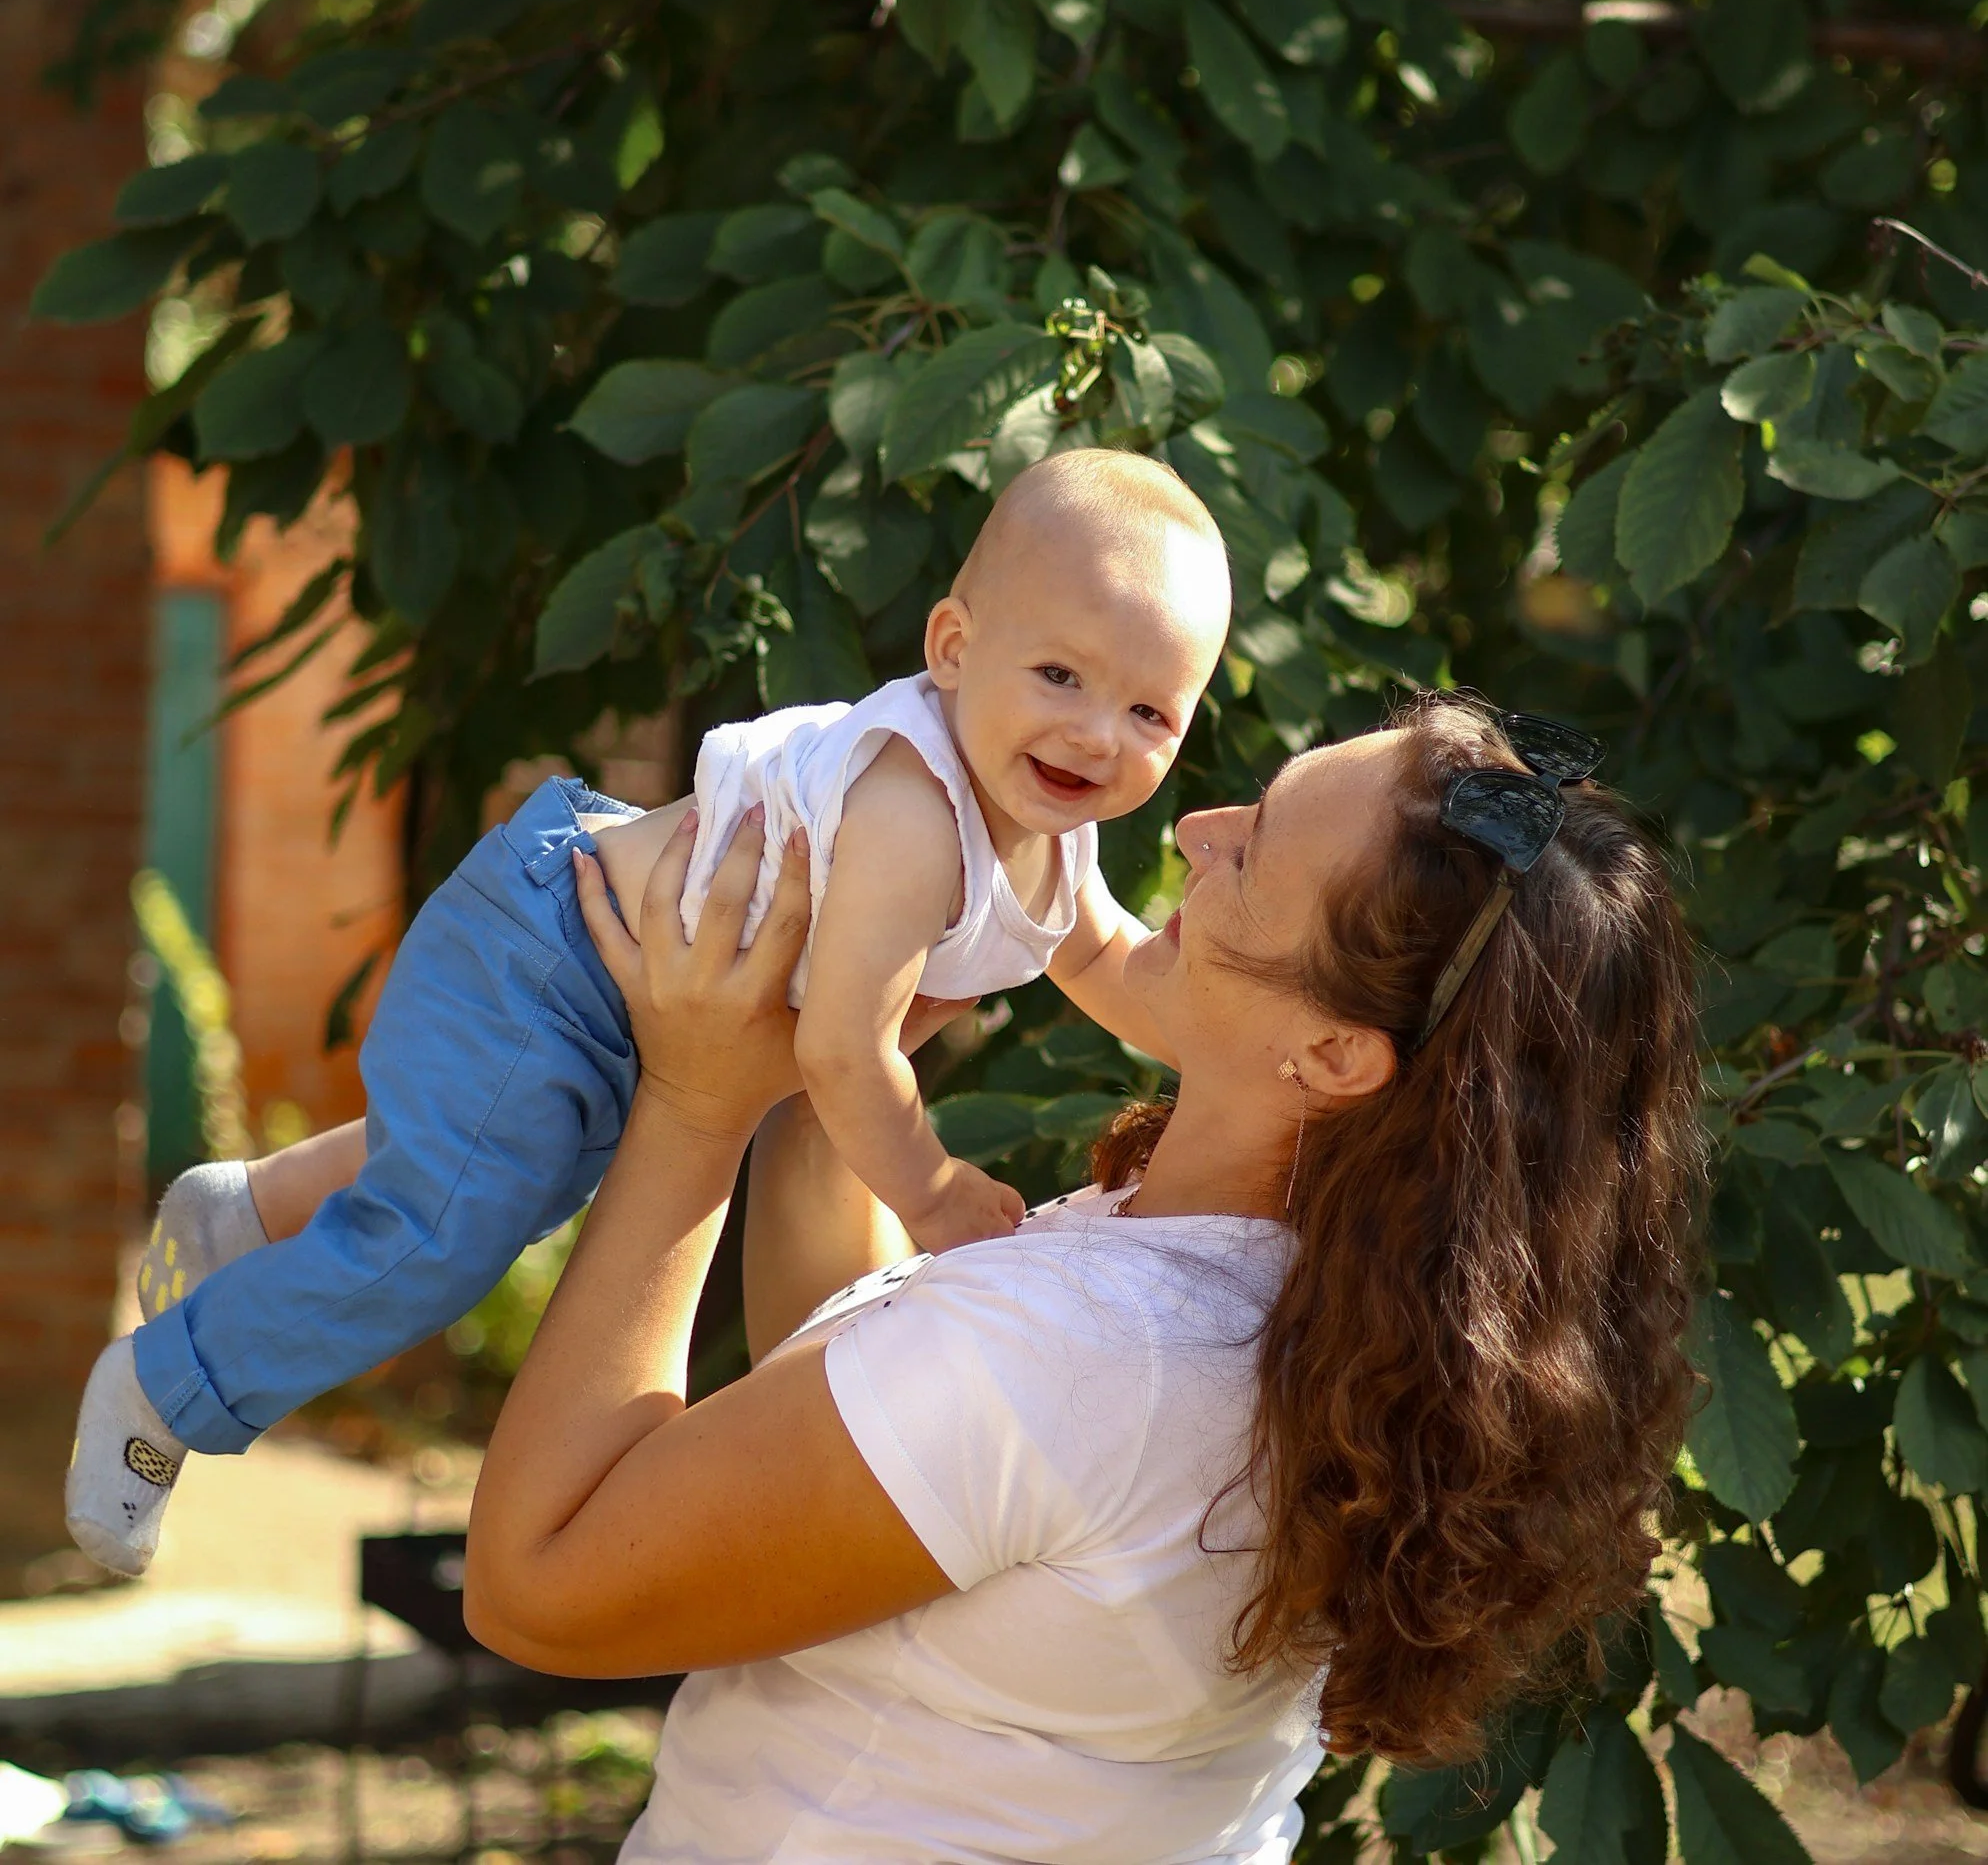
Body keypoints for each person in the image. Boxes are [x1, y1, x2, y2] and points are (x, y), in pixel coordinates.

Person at [462, 692, 1705, 1865]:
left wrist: (692, 1105)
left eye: (1253, 848)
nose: (1193, 831)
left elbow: (539, 1590)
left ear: (1331, 1053)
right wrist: (834, 1078)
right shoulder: (1340, 1325)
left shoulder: (1090, 1351)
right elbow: (866, 1463)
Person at [65, 449, 1234, 1579]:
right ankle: (163, 1387)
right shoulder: (911, 814)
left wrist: (1236, 1045)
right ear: (952, 646)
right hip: (553, 949)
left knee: (496, 1172)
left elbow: (1114, 963)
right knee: (443, 1239)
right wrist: (927, 1191)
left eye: (1149, 711)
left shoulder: (1052, 835)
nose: (1097, 733)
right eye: (1060, 677)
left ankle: (250, 1207)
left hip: (625, 983)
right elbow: (839, 1051)